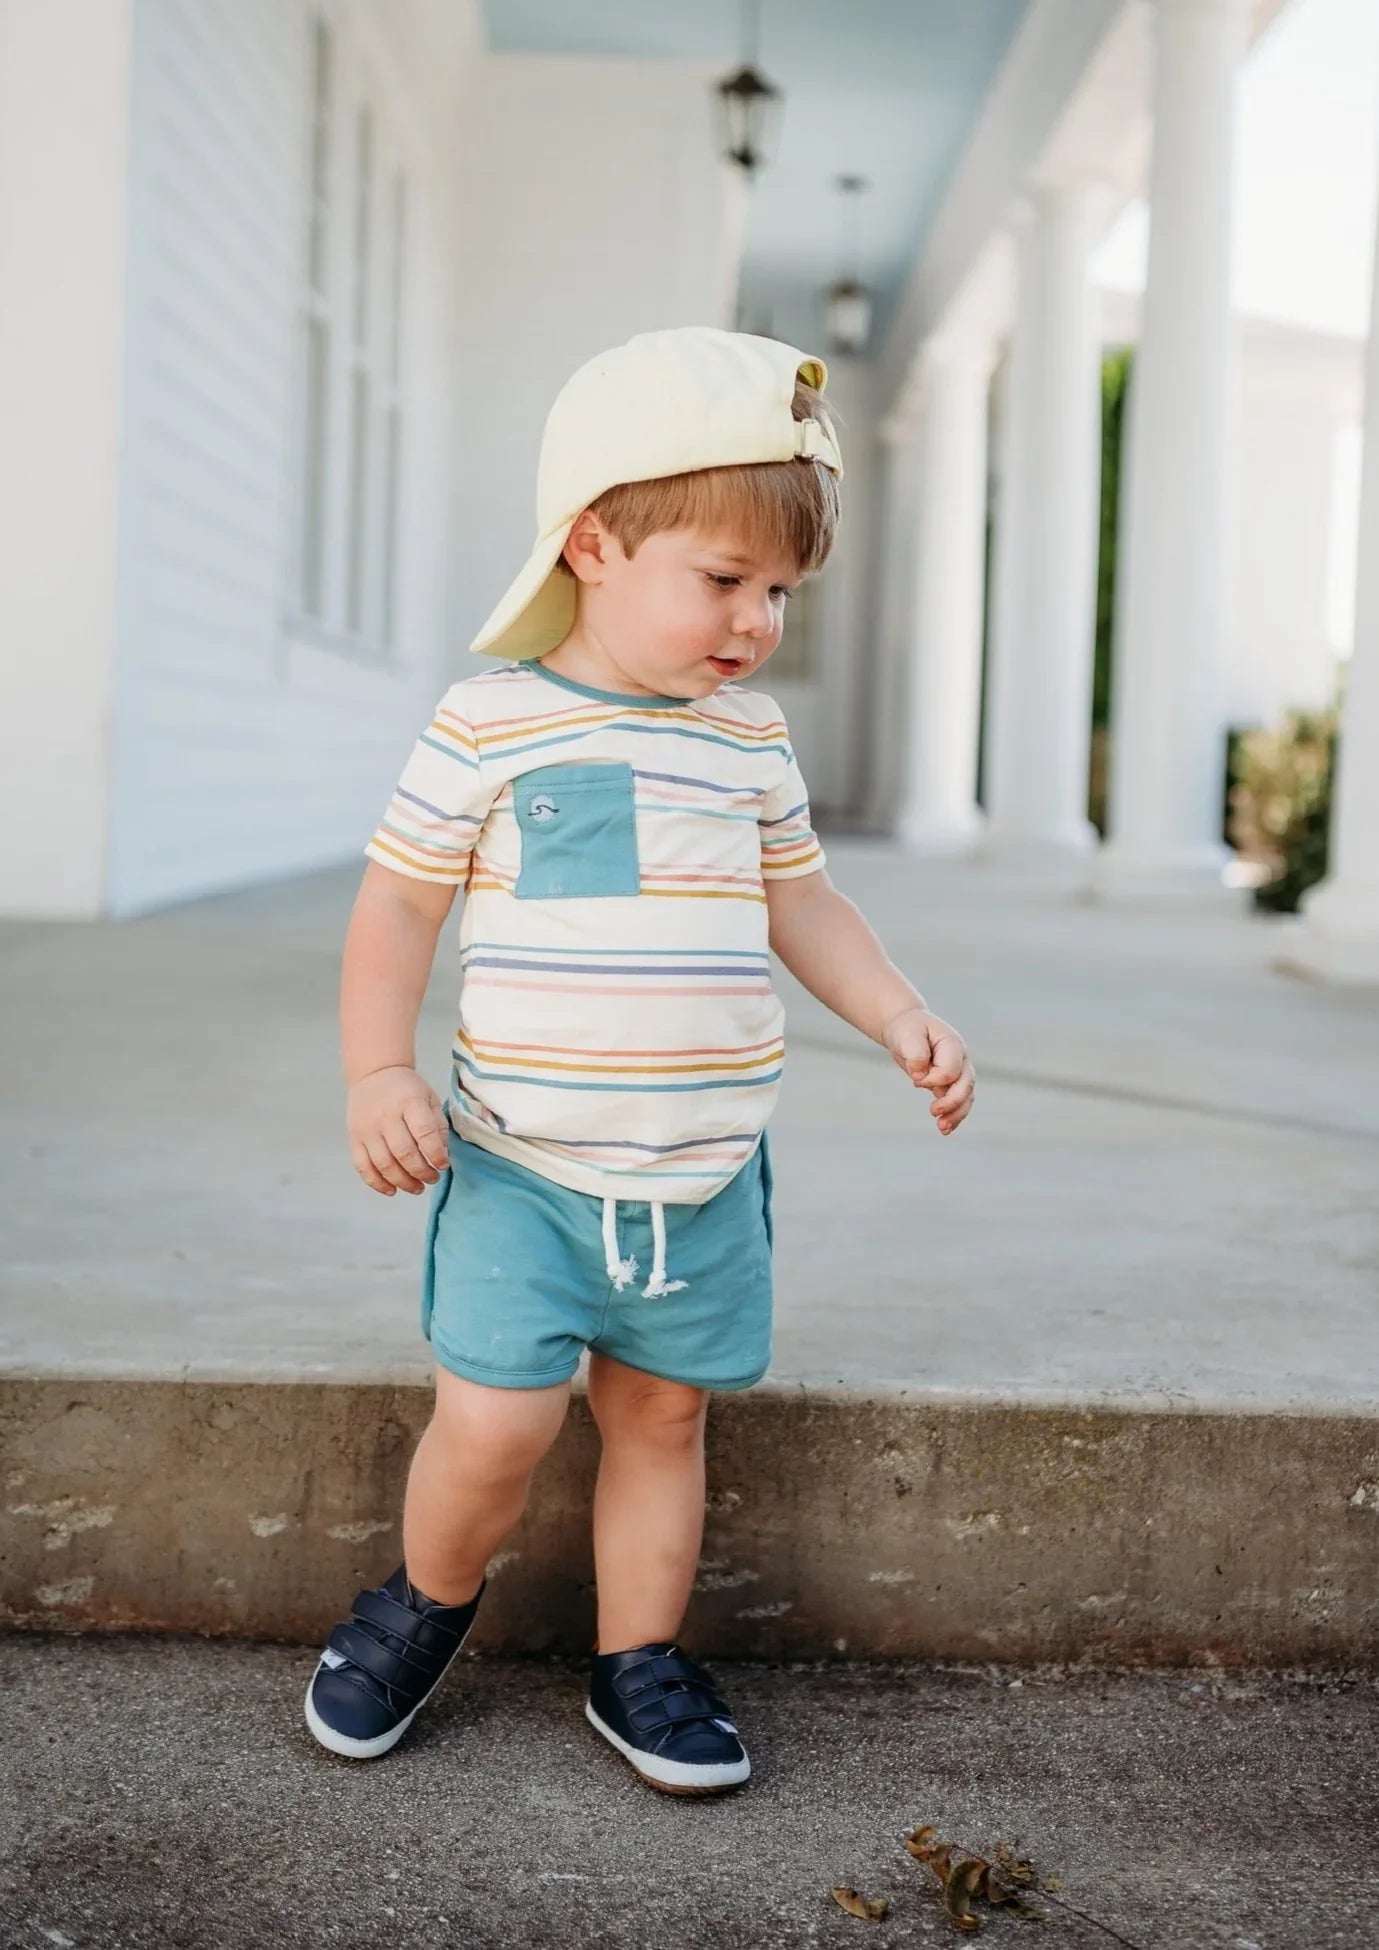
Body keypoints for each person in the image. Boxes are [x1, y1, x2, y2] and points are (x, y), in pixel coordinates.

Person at [303, 326, 975, 1795]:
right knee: (496, 1421)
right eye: (723, 578)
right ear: (595, 544)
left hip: (704, 1171)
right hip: (523, 1165)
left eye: (780, 591)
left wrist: (897, 1010)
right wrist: (376, 1070)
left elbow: (805, 901)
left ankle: (639, 1661)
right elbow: (398, 907)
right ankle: (424, 1602)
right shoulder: (489, 722)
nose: (756, 620)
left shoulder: (749, 741)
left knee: (664, 1415)